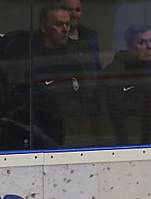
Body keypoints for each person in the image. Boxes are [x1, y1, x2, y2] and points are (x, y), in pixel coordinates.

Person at [1, 4, 99, 148]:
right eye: (59, 24)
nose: (65, 29)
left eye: (67, 24)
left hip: (67, 137)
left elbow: (85, 102)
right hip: (32, 137)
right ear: (43, 26)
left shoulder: (73, 63)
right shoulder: (27, 60)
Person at [62, 0, 101, 73]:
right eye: (69, 10)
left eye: (77, 10)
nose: (74, 15)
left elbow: (97, 67)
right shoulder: (56, 38)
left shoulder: (91, 36)